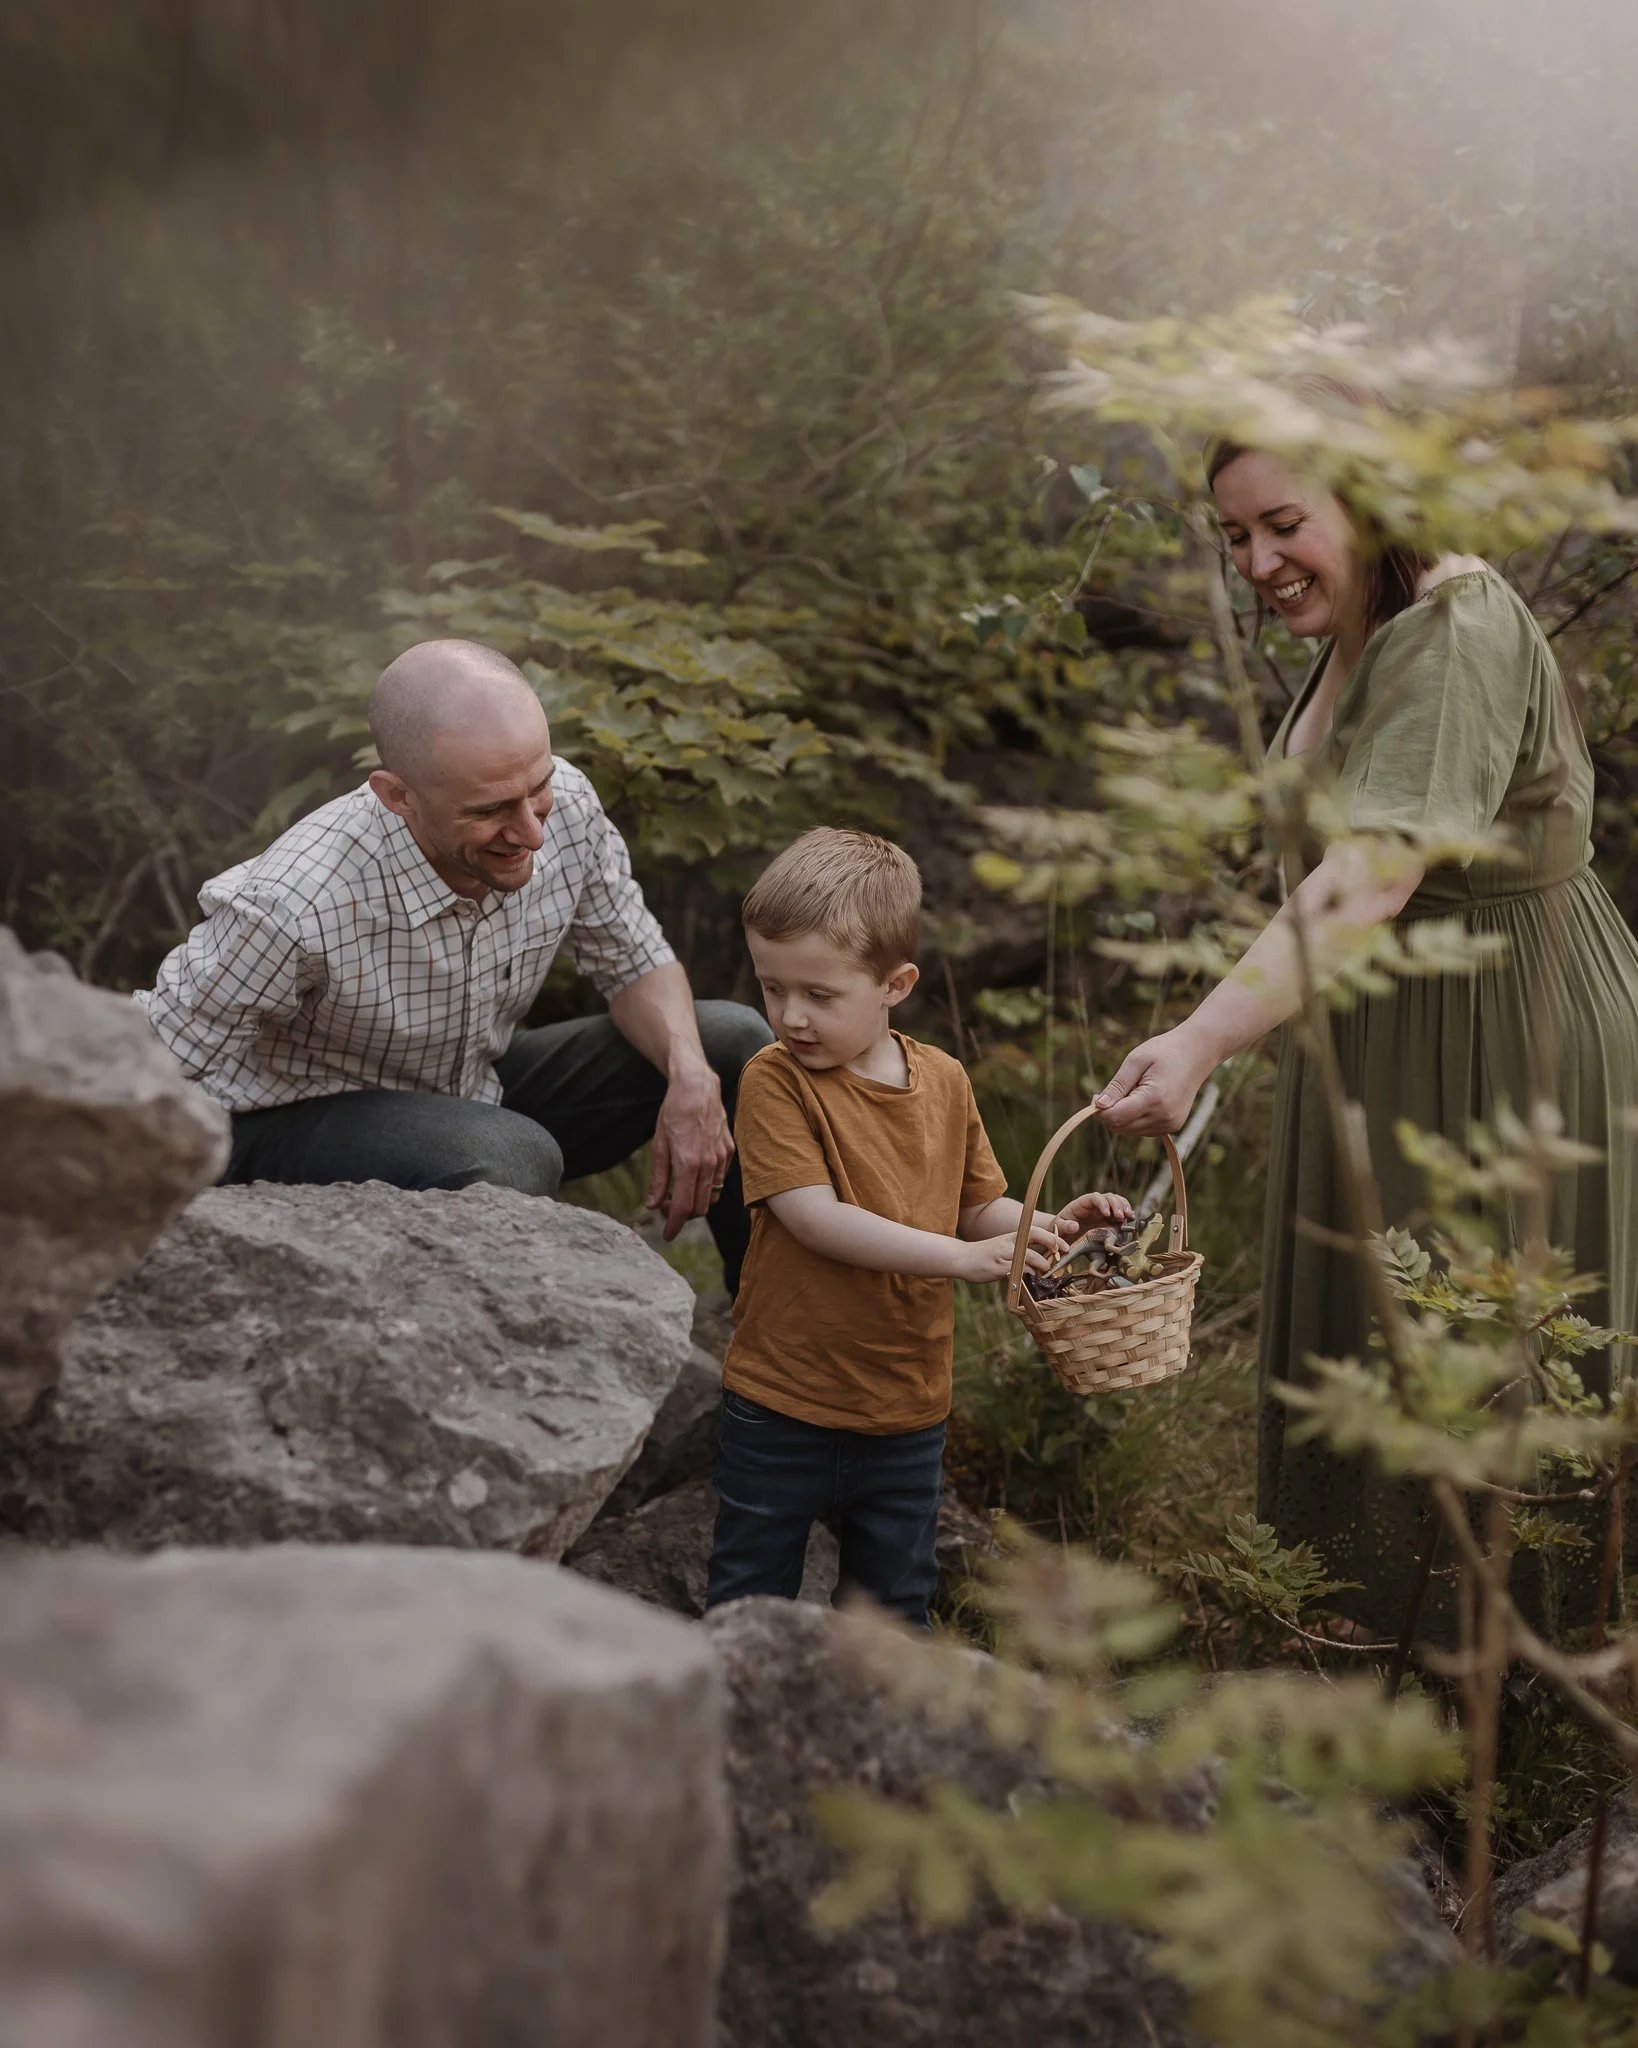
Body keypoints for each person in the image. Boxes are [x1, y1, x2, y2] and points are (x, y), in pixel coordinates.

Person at [1094, 441, 1638, 1634]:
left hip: (1501, 1027)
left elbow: (1375, 874)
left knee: (1467, 1346)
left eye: (1284, 524)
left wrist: (1199, 1039)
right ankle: (1355, 1643)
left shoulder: (1452, 628)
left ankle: (1500, 1703)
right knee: (1381, 1336)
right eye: (1236, 537)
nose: (1260, 562)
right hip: (1387, 1023)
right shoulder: (1365, 620)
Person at [138, 638, 772, 1290]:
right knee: (507, 1156)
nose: (530, 832)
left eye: (539, 786)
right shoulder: (296, 902)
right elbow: (152, 1061)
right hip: (288, 1124)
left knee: (734, 1045)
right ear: (397, 796)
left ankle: (777, 1343)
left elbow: (634, 957)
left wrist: (690, 1080)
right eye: (491, 810)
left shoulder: (570, 808)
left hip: (469, 1085)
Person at [704, 827, 1131, 1627]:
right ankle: (732, 1740)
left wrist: (1046, 1225)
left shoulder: (943, 1080)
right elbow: (814, 1218)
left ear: (895, 983)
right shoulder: (774, 1080)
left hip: (905, 1410)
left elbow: (975, 1207)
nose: (790, 1016)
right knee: (749, 1597)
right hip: (784, 1401)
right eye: (772, 988)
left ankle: (872, 1746)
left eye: (820, 995)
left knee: (895, 1605)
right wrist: (969, 1260)